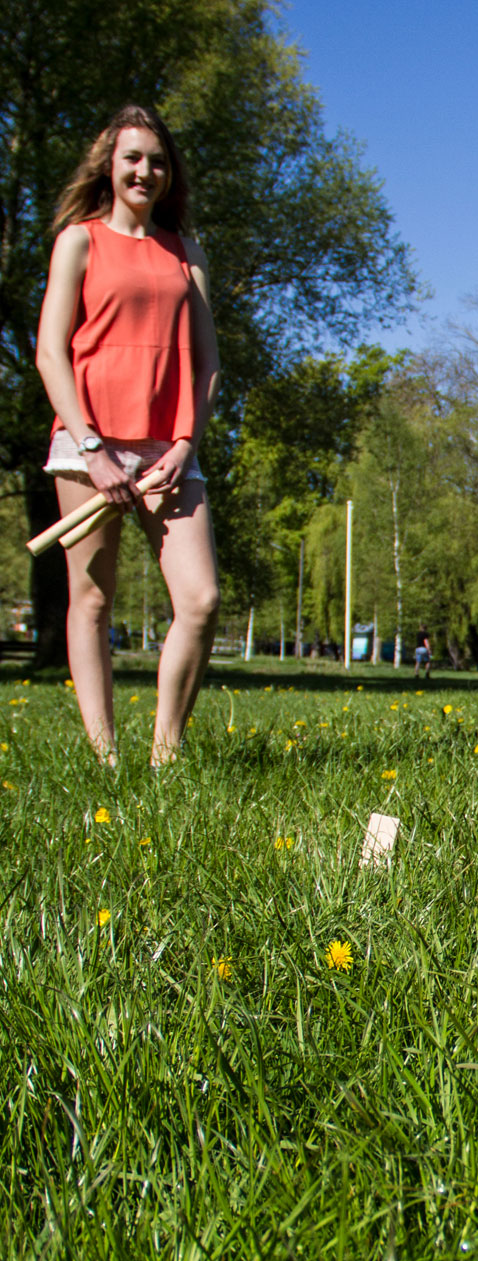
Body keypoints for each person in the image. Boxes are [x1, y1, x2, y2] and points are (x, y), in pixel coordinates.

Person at [35, 104, 220, 766]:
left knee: (200, 600)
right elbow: (51, 353)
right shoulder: (78, 241)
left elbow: (207, 364)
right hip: (90, 446)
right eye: (133, 158)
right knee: (90, 599)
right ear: (109, 167)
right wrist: (91, 447)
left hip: (168, 452)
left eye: (158, 160)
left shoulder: (186, 253)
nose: (146, 170)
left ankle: (165, 755)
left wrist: (183, 446)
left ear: (171, 174)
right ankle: (104, 758)